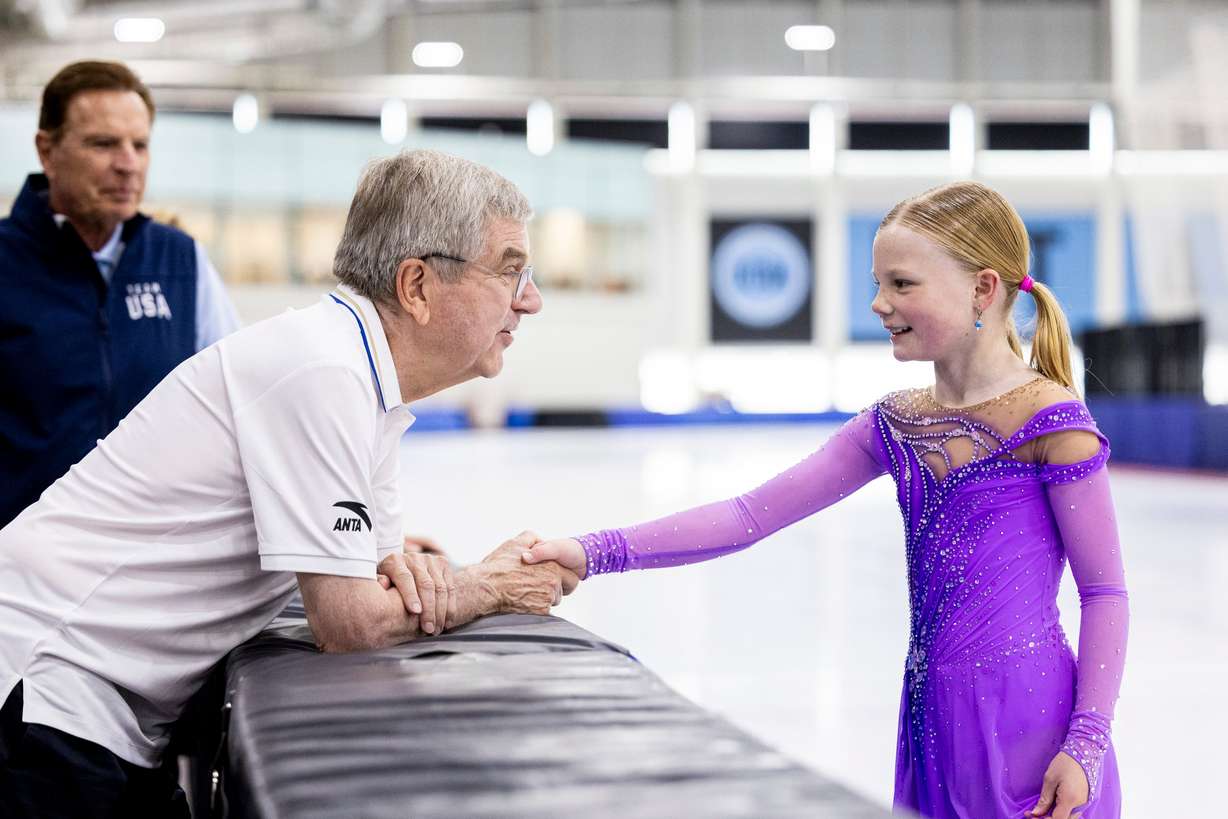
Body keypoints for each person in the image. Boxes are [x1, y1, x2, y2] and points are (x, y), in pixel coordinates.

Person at [519, 182, 1128, 819]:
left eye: (902, 284)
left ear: (982, 289)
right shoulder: (895, 425)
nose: (878, 303)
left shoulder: (1052, 422)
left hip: (1036, 728)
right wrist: (591, 552)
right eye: (879, 283)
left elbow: (1105, 591)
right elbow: (747, 515)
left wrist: (1087, 740)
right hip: (933, 724)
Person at [0, 149, 576, 818]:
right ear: (417, 285)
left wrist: (430, 579)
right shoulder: (323, 370)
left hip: (91, 708)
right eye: (510, 270)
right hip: (41, 692)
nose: (529, 298)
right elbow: (352, 622)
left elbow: (379, 579)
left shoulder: (367, 383)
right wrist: (490, 584)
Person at [0, 60, 240, 529]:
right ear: (47, 152)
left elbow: (245, 409)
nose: (127, 163)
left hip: (154, 559)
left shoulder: (181, 262)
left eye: (140, 145)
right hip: (20, 565)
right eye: (103, 143)